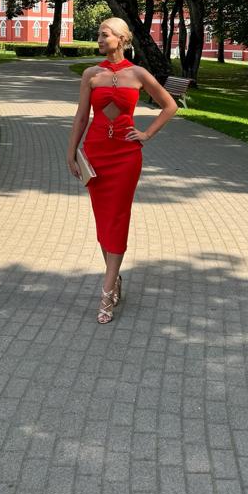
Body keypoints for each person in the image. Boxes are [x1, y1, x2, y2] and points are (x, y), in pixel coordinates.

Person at [67, 18, 178, 323]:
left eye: (104, 35)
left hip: (126, 157)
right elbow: (80, 118)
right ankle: (114, 278)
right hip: (95, 155)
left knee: (118, 217)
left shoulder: (138, 74)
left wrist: (146, 134)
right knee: (104, 220)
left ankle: (106, 289)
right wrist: (71, 154)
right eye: (99, 35)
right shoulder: (92, 74)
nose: (99, 39)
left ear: (121, 39)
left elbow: (170, 105)